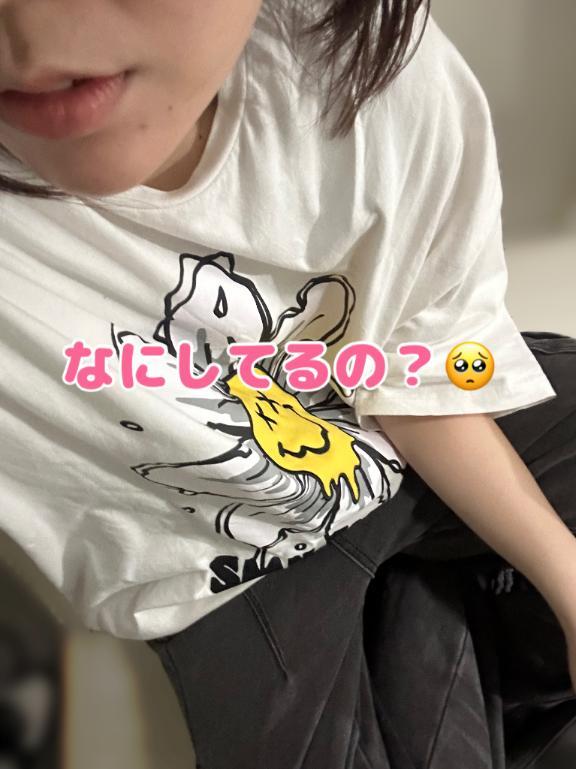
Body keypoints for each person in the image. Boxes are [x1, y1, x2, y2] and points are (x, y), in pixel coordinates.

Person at [0, 0, 574, 766]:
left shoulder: (372, 78)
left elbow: (420, 380)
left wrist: (567, 582)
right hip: (216, 577)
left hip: (387, 432)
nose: (30, 29)